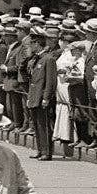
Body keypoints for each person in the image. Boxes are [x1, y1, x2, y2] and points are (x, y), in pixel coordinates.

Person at [26, 27, 59, 160]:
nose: (31, 46)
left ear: (38, 43)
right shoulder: (37, 58)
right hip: (35, 96)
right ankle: (40, 150)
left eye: (32, 43)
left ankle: (47, 152)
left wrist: (46, 97)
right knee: (37, 124)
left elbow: (50, 81)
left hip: (42, 97)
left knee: (44, 125)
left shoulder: (48, 59)